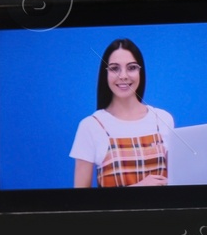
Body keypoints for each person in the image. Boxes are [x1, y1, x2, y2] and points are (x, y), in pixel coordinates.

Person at [70, 38, 174, 188]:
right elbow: (80, 203)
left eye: (131, 68)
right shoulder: (90, 126)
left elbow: (176, 182)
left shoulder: (163, 119)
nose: (123, 76)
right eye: (114, 68)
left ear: (140, 71)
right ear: (105, 74)